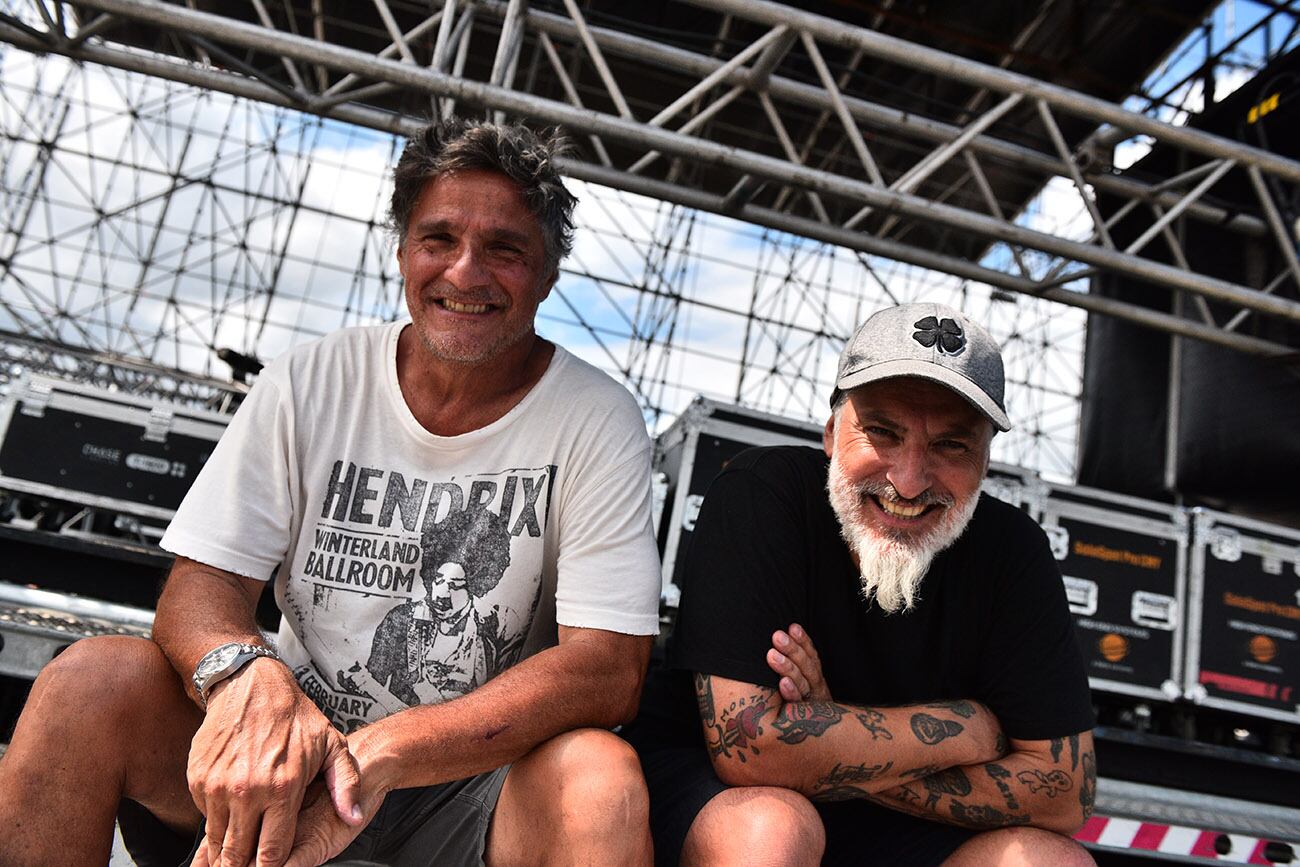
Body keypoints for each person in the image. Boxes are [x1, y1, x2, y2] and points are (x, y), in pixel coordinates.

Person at [0, 118, 661, 867]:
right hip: (287, 751)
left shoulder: (595, 417)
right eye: (438, 239)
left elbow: (607, 666)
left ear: (547, 274)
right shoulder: (311, 378)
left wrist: (385, 750)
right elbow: (202, 584)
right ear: (403, 250)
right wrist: (247, 676)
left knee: (600, 783)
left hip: (475, 785)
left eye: (505, 250)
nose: (466, 272)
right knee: (86, 682)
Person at [626, 303, 1097, 866]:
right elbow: (752, 753)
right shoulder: (764, 493)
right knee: (772, 831)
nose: (908, 480)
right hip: (726, 795)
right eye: (881, 432)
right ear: (831, 434)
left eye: (951, 446)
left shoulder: (1013, 550)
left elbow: (1066, 793)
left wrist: (829, 736)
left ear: (984, 463)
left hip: (903, 827)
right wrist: (962, 732)